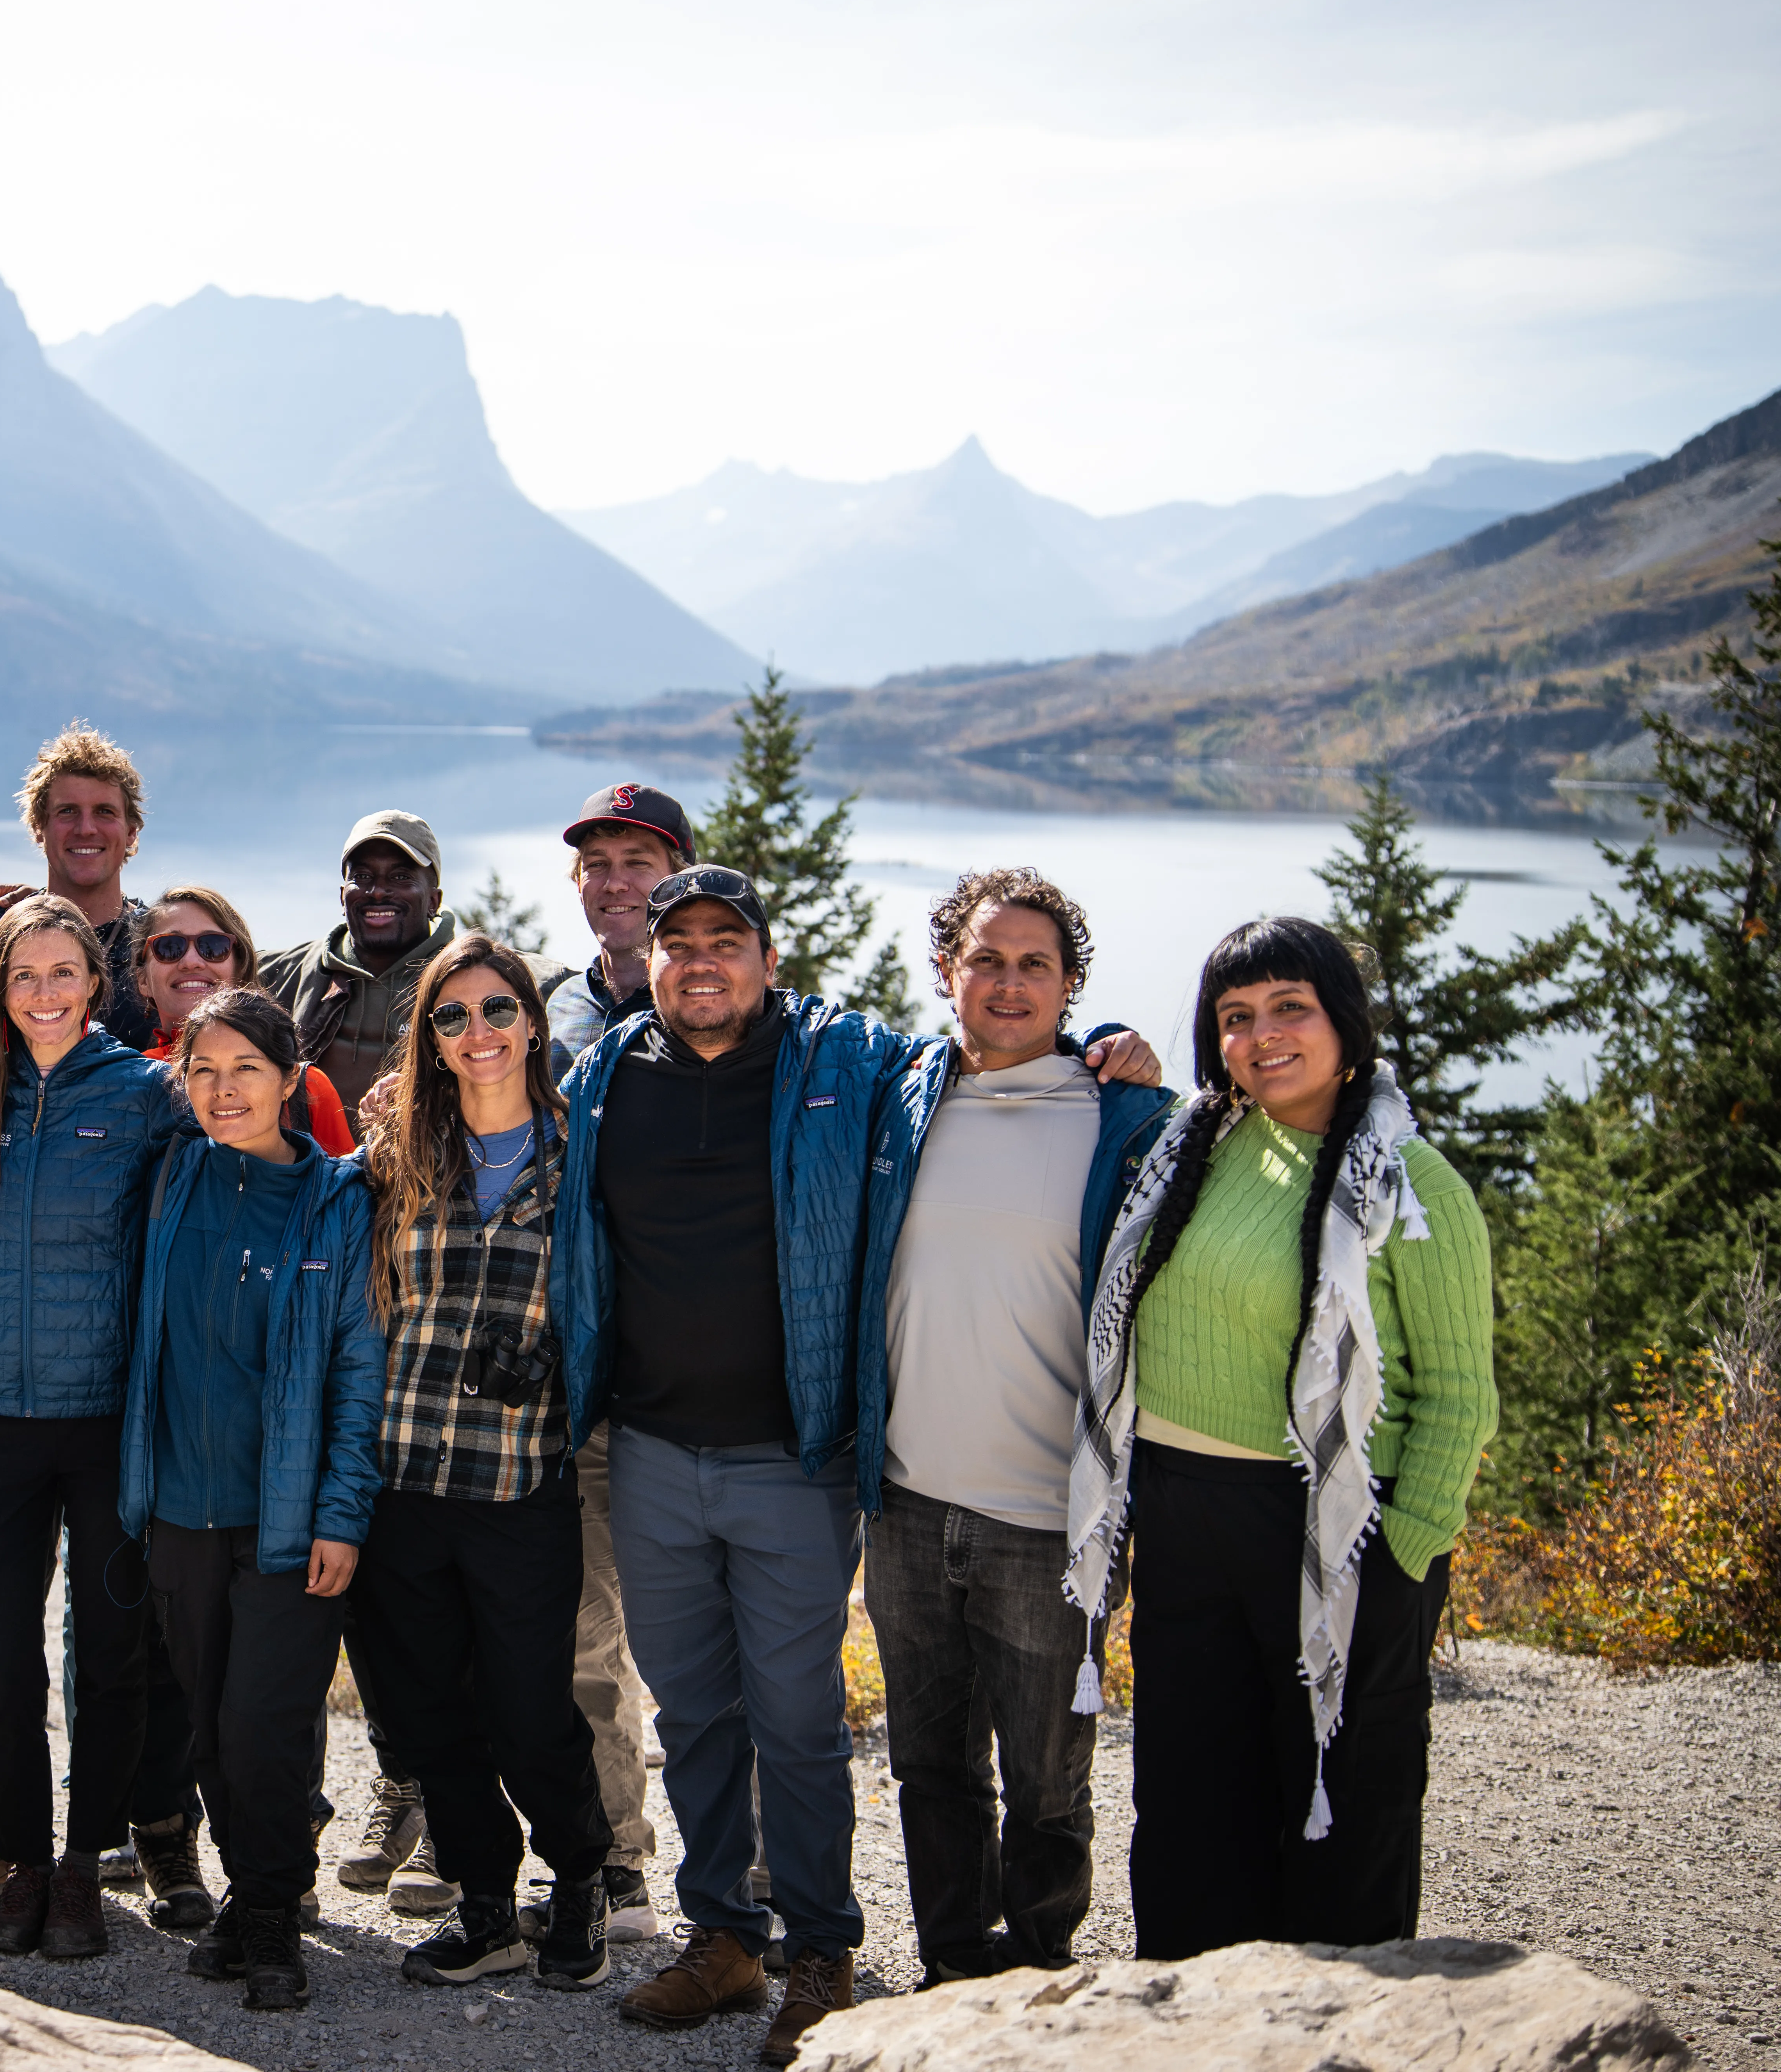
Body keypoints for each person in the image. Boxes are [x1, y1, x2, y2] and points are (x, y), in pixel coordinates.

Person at [554, 866, 1157, 2068]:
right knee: (696, 1712)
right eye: (679, 943)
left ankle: (820, 1944)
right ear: (651, 958)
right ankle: (722, 1931)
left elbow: (1001, 1045)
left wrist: (1104, 1043)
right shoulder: (607, 1073)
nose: (703, 962)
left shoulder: (845, 1065)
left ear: (768, 960)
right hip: (651, 1450)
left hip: (797, 1455)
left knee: (799, 1718)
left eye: (729, 940)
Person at [1066, 916, 1495, 1962]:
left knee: (1342, 1804)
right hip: (1180, 1513)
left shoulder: (1409, 1182)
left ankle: (1335, 2026)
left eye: (1287, 1008)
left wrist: (1403, 1554)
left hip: (1334, 1530)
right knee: (1187, 1800)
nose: (1261, 1036)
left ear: (1341, 1023)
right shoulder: (1191, 1150)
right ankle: (1192, 2024)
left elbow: (1456, 1398)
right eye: (1235, 1016)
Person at [853, 870, 1175, 1987]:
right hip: (900, 1500)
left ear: (1069, 984)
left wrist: (1129, 1050)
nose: (1007, 982)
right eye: (984, 959)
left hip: (1051, 1517)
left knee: (1047, 1779)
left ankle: (1041, 1974)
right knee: (929, 1767)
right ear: (946, 973)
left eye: (1033, 963)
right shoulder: (901, 1099)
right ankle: (949, 1974)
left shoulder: (1120, 1120)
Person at [0, 895, 185, 1960]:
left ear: (95, 981)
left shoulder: (143, 1096)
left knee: (110, 1652)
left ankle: (84, 1864)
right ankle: (19, 1858)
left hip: (101, 1417)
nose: (42, 993)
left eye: (62, 973)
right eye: (21, 975)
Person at [348, 934, 616, 1995]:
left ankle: (584, 1879)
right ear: (428, 1037)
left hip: (519, 1481)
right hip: (404, 1478)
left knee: (527, 1709)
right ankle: (486, 1907)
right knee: (428, 1712)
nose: (477, 1033)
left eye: (496, 1009)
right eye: (450, 1016)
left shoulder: (580, 1156)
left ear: (532, 1022)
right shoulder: (397, 1158)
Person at [119, 987, 385, 2011]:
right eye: (203, 1071)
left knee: (262, 1730)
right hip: (179, 1508)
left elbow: (359, 1372)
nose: (223, 1091)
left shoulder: (338, 1199)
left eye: (246, 1070)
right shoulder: (171, 1178)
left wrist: (340, 1515)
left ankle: (272, 1921)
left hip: (288, 1521)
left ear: (290, 1081)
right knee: (204, 1732)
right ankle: (249, 1898)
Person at [518, 783, 694, 1950]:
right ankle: (618, 1868)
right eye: (597, 861)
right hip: (580, 1378)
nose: (614, 878)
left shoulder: (743, 1006)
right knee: (585, 1639)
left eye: (637, 858)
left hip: (701, 1387)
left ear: (676, 872)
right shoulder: (547, 1014)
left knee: (703, 1646)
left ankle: (754, 1876)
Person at [263, 809, 560, 1116]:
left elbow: (562, 983)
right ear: (342, 897)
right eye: (362, 877)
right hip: (310, 1164)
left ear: (434, 900)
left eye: (401, 877)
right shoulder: (285, 974)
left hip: (440, 1162)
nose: (378, 891)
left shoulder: (473, 976)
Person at [135, 885, 355, 1156]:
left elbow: (343, 1192)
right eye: (169, 947)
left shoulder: (304, 1087)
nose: (191, 961)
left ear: (240, 969)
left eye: (212, 947)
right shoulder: (128, 1084)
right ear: (143, 980)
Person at [0, 724, 160, 1049]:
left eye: (104, 812)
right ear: (39, 828)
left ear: (131, 832)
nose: (86, 829)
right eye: (68, 812)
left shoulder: (161, 947)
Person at [544, 783, 692, 1080]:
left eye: (637, 863)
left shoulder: (704, 1006)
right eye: (597, 865)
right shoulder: (561, 1004)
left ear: (680, 882)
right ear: (578, 884)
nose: (614, 884)